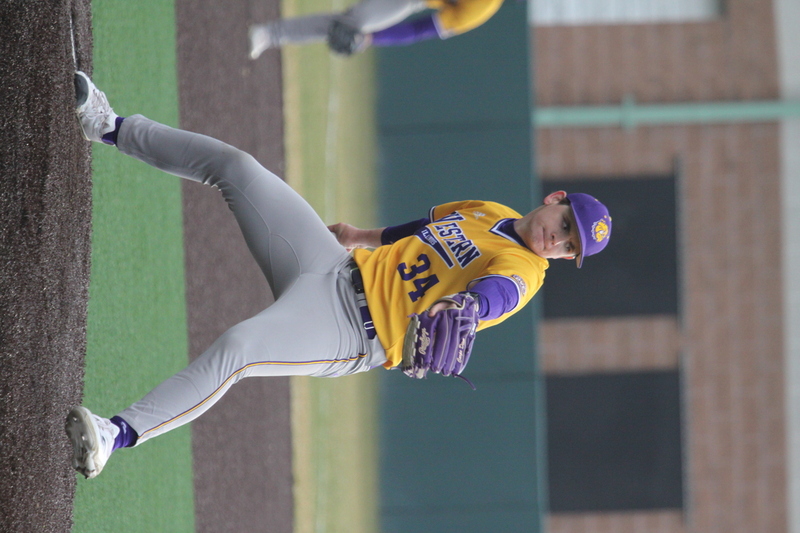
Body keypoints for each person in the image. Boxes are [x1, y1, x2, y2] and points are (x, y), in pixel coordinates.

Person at [65, 71, 612, 479]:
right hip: (332, 262)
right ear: (555, 198)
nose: (558, 240)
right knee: (238, 169)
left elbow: (495, 295)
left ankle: (116, 436)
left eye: (569, 246)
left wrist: (469, 307)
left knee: (240, 348)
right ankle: (107, 126)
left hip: (350, 331)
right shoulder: (490, 212)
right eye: (565, 224)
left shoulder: (524, 272)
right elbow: (427, 225)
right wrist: (363, 236)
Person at [248, 0, 505, 59]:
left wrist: (372, 37)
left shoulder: (482, 6)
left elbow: (423, 28)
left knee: (353, 24)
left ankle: (269, 34)